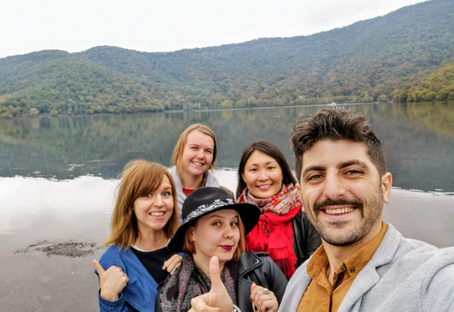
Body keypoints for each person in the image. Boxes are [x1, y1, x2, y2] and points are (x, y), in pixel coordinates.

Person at [187, 107, 454, 312]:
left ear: (385, 187)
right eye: (315, 176)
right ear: (302, 194)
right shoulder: (299, 286)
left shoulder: (431, 279)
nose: (333, 191)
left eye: (352, 171)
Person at [156, 187, 288, 312]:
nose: (229, 233)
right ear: (192, 234)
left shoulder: (265, 270)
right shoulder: (168, 293)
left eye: (234, 223)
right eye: (217, 223)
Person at [92, 160, 182, 312]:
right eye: (147, 195)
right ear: (130, 203)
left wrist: (191, 264)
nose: (159, 203)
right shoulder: (114, 264)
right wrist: (109, 300)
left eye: (166, 193)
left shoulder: (189, 242)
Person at [236, 140, 321, 278]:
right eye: (254, 170)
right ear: (243, 176)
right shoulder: (235, 217)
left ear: (282, 172)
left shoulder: (305, 214)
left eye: (270, 168)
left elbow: (317, 268)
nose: (263, 177)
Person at [170, 124, 233, 214]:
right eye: (194, 148)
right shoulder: (160, 194)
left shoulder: (225, 197)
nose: (201, 156)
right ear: (180, 150)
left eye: (208, 151)